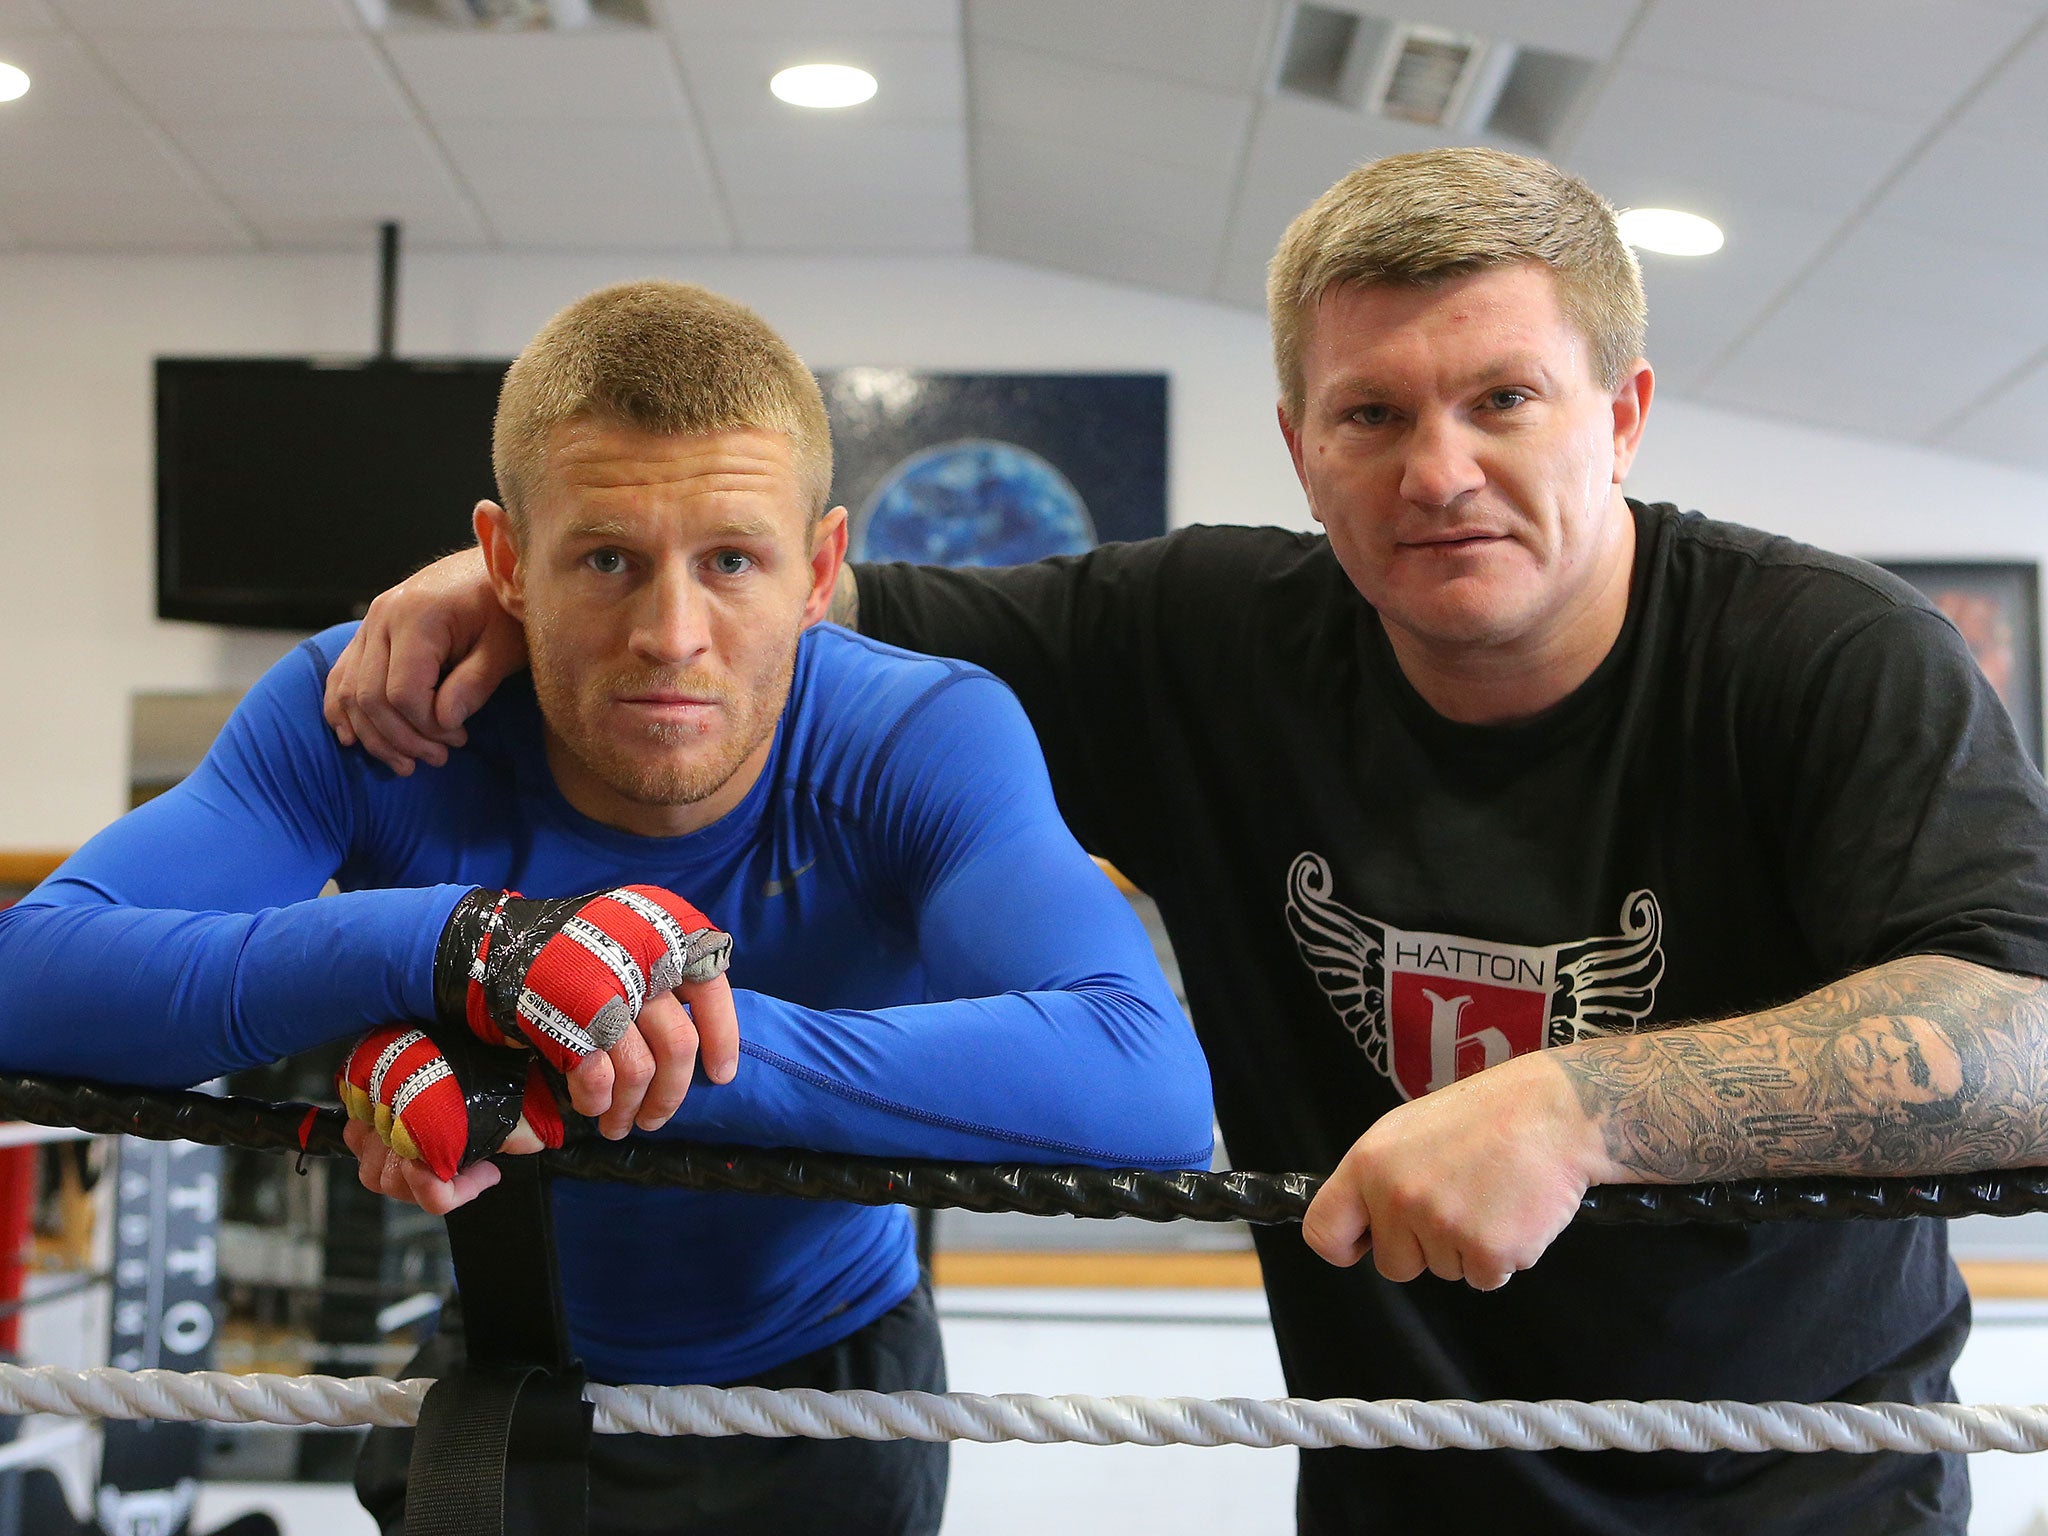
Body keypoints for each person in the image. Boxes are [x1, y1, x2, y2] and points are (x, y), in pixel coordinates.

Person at [321, 149, 2048, 1535]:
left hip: (1805, 1493)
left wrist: (1581, 1108)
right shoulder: (1203, 640)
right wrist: (510, 581)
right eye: (1370, 415)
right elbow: (758, 598)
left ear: (1620, 414)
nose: (1436, 469)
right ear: (1299, 445)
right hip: (1394, 1498)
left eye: (1503, 401)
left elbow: (2026, 1041)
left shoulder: (1820, 656)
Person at [0, 279, 1214, 1536]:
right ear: (508, 561)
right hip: (507, 1336)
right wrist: (453, 946)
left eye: (732, 560)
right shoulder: (381, 717)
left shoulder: (917, 732)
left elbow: (1148, 1086)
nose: (669, 634)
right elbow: (24, 981)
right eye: (606, 560)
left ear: (820, 571)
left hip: (830, 1380)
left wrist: (588, 1040)